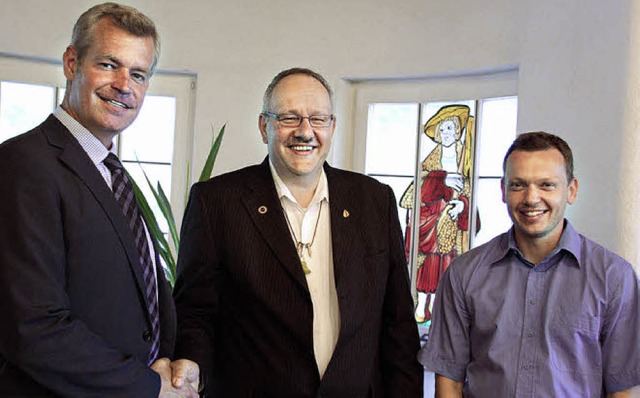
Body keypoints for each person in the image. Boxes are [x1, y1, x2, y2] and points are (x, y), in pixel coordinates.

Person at [173, 67, 423, 397]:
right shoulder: (217, 202)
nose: (305, 132)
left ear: (332, 127)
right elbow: (195, 312)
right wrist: (191, 364)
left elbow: (399, 327)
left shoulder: (375, 201)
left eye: (318, 119)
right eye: (289, 118)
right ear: (265, 127)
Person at [0, 3, 198, 396]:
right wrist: (149, 386)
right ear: (72, 63)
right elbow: (34, 328)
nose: (125, 84)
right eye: (109, 64)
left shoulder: (111, 173)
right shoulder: (23, 164)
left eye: (138, 74)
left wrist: (171, 366)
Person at [419, 131, 640, 397]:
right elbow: (449, 381)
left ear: (571, 190)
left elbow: (623, 389)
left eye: (547, 185)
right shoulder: (464, 274)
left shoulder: (614, 277)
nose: (531, 198)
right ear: (503, 190)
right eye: (518, 185)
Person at [399, 105, 475, 323]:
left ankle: (446, 308)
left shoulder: (465, 160)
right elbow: (416, 193)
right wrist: (440, 179)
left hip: (451, 222)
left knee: (449, 264)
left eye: (450, 128)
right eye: (442, 130)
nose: (446, 133)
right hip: (430, 221)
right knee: (428, 261)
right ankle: (422, 304)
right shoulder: (429, 163)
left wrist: (462, 205)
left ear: (458, 131)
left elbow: (469, 192)